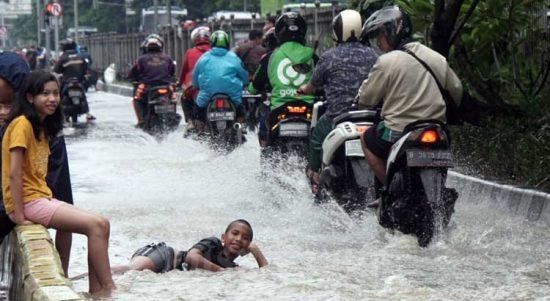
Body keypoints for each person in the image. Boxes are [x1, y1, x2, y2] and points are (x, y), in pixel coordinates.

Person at [1, 70, 115, 297]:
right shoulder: (22, 124)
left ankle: (97, 291)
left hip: (39, 198)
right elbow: (13, 174)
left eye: (55, 93)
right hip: (29, 201)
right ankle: (109, 288)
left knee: (101, 223)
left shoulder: (41, 127)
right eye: (45, 94)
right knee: (97, 226)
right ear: (30, 97)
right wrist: (20, 215)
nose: (52, 99)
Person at [356, 6, 462, 186]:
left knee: (365, 139)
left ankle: (388, 189)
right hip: (437, 129)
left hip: (398, 131)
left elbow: (366, 99)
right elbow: (457, 90)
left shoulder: (386, 62)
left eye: (380, 36)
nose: (379, 43)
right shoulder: (436, 57)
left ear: (392, 32)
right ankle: (439, 191)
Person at [0, 52, 75, 277]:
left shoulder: (35, 129)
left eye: (6, 103)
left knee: (68, 214)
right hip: (17, 203)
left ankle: (62, 274)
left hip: (24, 200)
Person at [296, 9, 378, 191]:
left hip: (338, 116)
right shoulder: (373, 55)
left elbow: (313, 85)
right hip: (370, 116)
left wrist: (302, 90)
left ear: (337, 31)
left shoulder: (329, 57)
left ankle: (315, 175)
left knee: (317, 137)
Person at [72, 219, 267, 278]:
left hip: (165, 271)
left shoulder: (233, 267)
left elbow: (266, 275)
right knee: (129, 270)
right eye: (235, 233)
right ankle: (76, 278)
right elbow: (191, 257)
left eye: (245, 238)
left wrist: (257, 252)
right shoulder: (214, 243)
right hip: (163, 255)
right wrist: (220, 271)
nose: (239, 238)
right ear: (224, 236)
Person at [248, 12, 316, 147]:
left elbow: (254, 87)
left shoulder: (271, 57)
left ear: (279, 32)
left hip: (279, 109)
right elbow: (323, 81)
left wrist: (252, 89)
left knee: (268, 143)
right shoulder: (313, 56)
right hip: (308, 108)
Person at [192, 30, 249, 126]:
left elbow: (195, 74)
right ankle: (239, 127)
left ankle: (200, 130)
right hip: (232, 94)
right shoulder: (234, 58)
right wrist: (245, 83)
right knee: (241, 113)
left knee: (198, 113)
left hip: (207, 94)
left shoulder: (204, 58)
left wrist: (196, 86)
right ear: (227, 43)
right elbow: (243, 74)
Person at [127, 34, 175, 127]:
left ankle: (141, 121)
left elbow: (132, 73)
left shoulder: (141, 59)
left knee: (137, 100)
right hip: (166, 86)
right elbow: (172, 72)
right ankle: (172, 117)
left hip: (147, 87)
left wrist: (132, 79)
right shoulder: (167, 58)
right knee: (173, 99)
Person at [177, 26, 211, 130]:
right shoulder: (215, 52)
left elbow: (183, 71)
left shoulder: (190, 52)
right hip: (214, 86)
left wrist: (180, 82)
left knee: (185, 98)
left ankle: (191, 121)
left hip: (194, 86)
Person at [53, 39, 95, 121]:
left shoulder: (63, 57)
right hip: (79, 81)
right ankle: (88, 113)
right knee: (83, 96)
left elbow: (56, 70)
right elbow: (86, 68)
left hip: (67, 81)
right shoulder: (80, 56)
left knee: (60, 95)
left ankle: (58, 114)